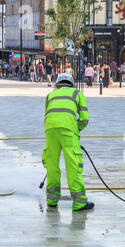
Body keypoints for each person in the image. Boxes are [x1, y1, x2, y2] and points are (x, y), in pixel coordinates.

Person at [42, 73, 94, 211]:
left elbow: (48, 114)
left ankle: (52, 200)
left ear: (57, 84)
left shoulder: (50, 95)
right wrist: (75, 130)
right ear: (71, 84)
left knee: (51, 164)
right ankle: (79, 202)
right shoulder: (77, 93)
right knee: (73, 165)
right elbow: (84, 119)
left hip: (50, 130)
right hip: (68, 131)